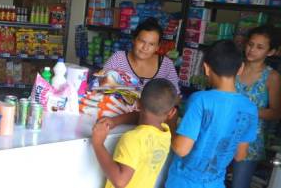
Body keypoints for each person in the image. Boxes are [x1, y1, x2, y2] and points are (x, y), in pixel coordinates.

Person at [165, 40, 258, 188]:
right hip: (215, 183)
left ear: (206, 68)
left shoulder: (200, 100)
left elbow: (181, 149)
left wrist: (170, 123)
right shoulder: (250, 108)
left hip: (183, 183)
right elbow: (240, 155)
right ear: (240, 68)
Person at [92, 78, 178, 188]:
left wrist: (98, 144)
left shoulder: (132, 138)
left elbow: (120, 181)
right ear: (171, 113)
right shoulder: (166, 134)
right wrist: (115, 121)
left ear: (137, 103)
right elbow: (140, 116)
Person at [101, 17, 180, 134]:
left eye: (151, 44)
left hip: (153, 128)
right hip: (117, 122)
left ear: (158, 47)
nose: (145, 48)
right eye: (142, 41)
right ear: (134, 40)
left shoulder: (166, 64)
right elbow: (102, 85)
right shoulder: (118, 58)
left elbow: (176, 99)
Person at [231, 25, 281, 188]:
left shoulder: (272, 77)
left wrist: (249, 110)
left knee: (239, 184)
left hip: (250, 142)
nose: (252, 50)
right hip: (222, 133)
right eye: (250, 44)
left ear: (271, 52)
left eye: (260, 47)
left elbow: (276, 113)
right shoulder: (234, 67)